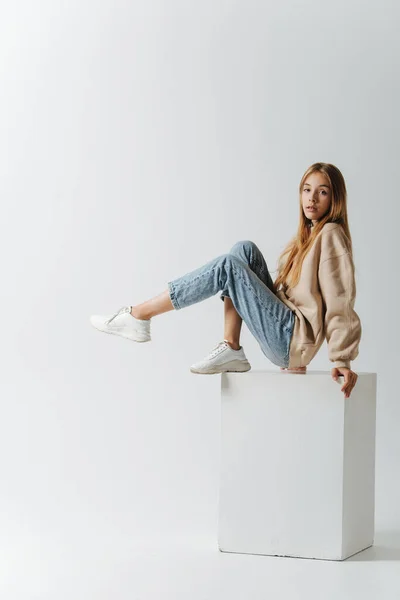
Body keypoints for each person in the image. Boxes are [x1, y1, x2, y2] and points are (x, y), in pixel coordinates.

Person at [90, 162, 362, 399]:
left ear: (334, 199)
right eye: (306, 189)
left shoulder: (331, 235)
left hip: (290, 336)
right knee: (244, 251)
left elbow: (340, 300)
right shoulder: (311, 237)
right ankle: (231, 346)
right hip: (287, 330)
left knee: (228, 266)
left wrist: (341, 359)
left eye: (322, 192)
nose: (312, 198)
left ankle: (139, 315)